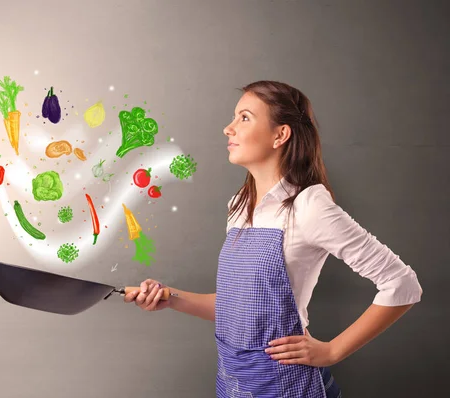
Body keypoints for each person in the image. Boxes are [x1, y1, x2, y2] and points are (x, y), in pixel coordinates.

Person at [123, 80, 423, 398]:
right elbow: (239, 307)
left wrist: (332, 351)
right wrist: (171, 298)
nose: (228, 128)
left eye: (245, 118)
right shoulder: (240, 205)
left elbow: (402, 284)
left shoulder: (309, 206)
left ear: (280, 135)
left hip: (287, 386)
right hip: (236, 383)